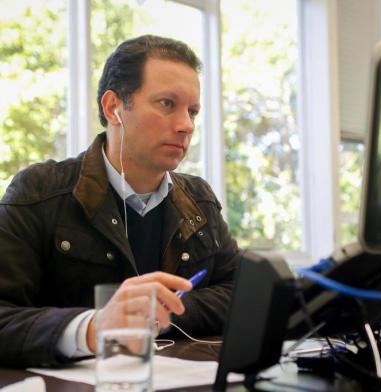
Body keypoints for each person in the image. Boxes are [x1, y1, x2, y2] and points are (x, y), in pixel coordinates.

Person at [0, 35, 239, 367]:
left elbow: (240, 292)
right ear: (114, 108)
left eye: (193, 111)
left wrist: (157, 312)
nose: (186, 126)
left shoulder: (200, 201)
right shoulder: (38, 193)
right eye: (167, 104)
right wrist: (94, 328)